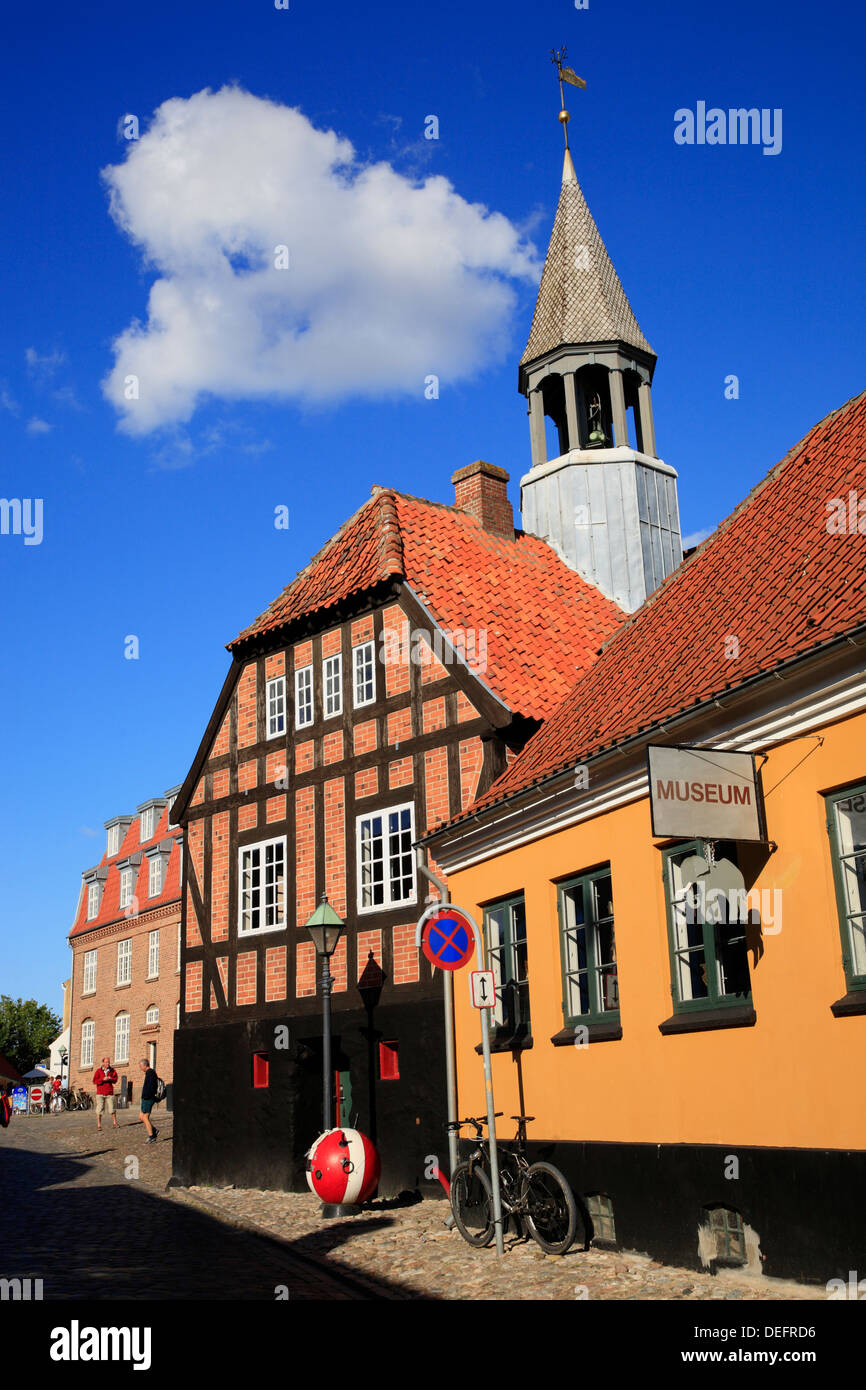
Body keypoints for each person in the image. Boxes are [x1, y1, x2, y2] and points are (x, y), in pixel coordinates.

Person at [92, 1056, 119, 1132]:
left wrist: (111, 1079)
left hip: (109, 1092)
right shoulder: (98, 1071)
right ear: (103, 1063)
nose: (108, 1063)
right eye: (106, 1062)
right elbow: (94, 1081)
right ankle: (99, 1125)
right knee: (99, 1109)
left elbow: (115, 1080)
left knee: (112, 1108)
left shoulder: (112, 1070)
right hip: (100, 1092)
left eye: (108, 1062)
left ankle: (114, 1123)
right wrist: (102, 1079)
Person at [138, 1059, 158, 1143]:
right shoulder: (149, 1073)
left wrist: (147, 1096)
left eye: (140, 1066)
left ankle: (152, 1136)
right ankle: (154, 1130)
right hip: (145, 1098)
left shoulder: (150, 1073)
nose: (140, 1068)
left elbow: (151, 1087)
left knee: (145, 1117)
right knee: (141, 1117)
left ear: (145, 1065)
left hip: (148, 1098)